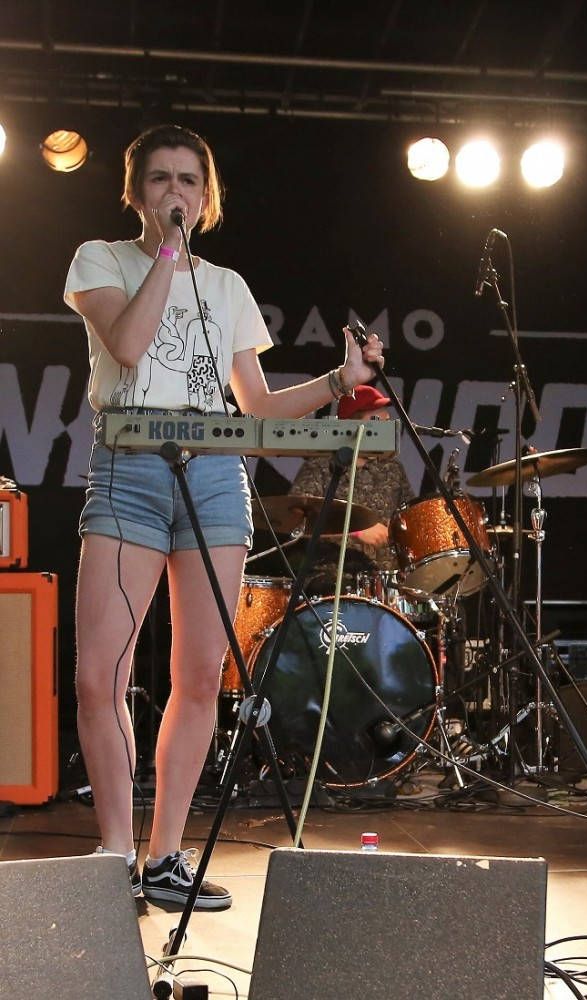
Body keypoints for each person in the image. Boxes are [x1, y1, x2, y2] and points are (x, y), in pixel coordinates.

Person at [63, 123, 384, 910]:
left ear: (207, 196)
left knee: (201, 676)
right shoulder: (101, 259)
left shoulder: (229, 287)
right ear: (135, 191)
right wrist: (170, 256)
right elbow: (129, 347)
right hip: (129, 469)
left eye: (189, 180)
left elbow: (259, 414)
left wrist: (338, 380)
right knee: (98, 676)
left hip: (214, 477)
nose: (176, 191)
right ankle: (113, 855)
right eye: (161, 178)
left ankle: (165, 857)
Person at [288, 384, 415, 593]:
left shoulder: (392, 469)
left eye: (386, 419)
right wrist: (354, 531)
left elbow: (408, 520)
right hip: (330, 582)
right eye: (376, 419)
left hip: (383, 585)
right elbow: (297, 520)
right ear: (353, 424)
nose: (386, 421)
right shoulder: (321, 466)